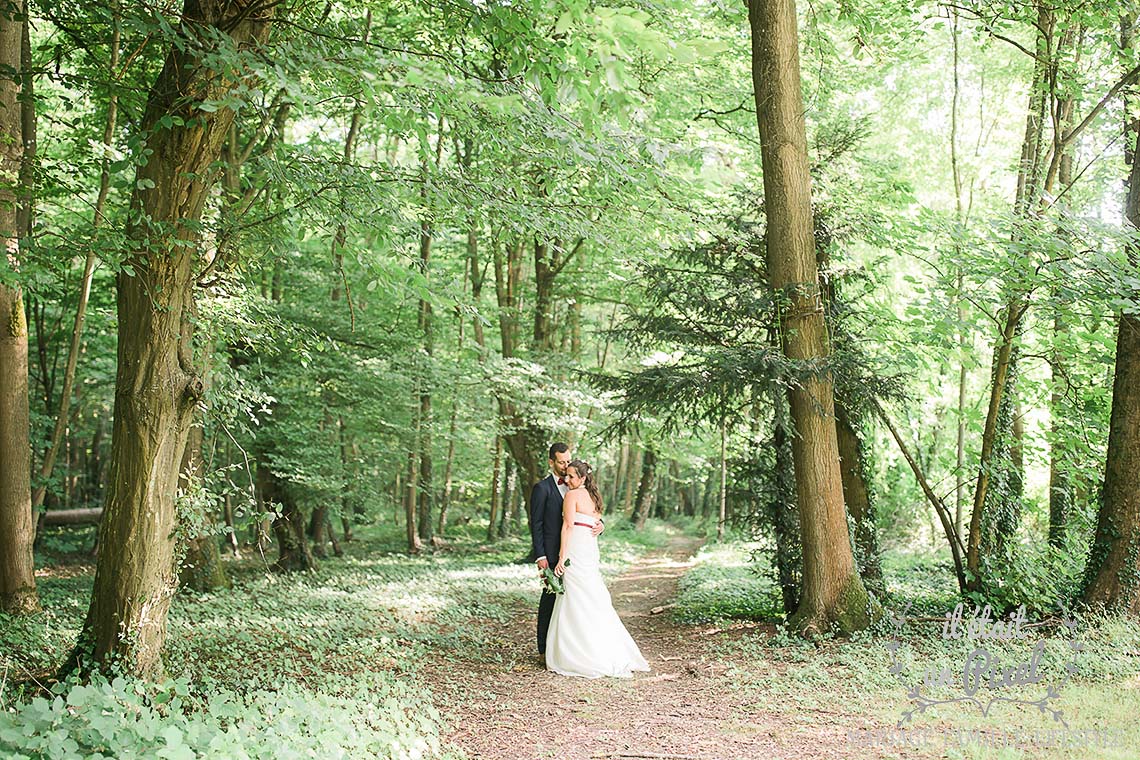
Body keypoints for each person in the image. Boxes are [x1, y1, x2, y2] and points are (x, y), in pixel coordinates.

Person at [545, 459, 650, 678]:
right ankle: (597, 646)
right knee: (589, 594)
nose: (568, 479)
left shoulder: (572, 495)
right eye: (567, 476)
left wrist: (562, 557)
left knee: (577, 595)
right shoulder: (593, 495)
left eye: (572, 476)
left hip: (577, 548)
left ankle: (578, 652)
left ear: (582, 478)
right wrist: (600, 525)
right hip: (589, 548)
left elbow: (568, 525)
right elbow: (596, 520)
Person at [531, 443, 603, 665]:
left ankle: (572, 646)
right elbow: (536, 524)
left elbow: (591, 514)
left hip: (577, 551)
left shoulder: (579, 486)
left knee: (574, 600)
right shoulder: (542, 489)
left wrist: (602, 525)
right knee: (550, 599)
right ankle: (544, 649)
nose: (565, 466)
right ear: (551, 462)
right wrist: (540, 556)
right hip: (552, 553)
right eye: (561, 462)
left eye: (567, 461)